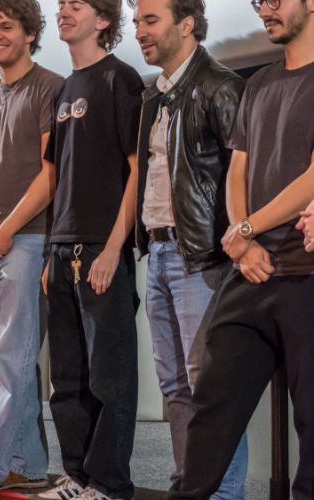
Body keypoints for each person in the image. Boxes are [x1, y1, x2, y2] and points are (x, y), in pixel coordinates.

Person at [168, 0, 314, 498]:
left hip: (305, 272)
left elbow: (312, 177)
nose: (265, 9)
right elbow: (238, 169)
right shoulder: (259, 83)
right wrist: (242, 239)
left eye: (276, 0)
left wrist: (249, 226)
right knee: (211, 407)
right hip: (251, 272)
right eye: (258, 2)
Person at [129, 0, 248, 497]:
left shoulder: (221, 86)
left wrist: (238, 241)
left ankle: (222, 493)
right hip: (159, 252)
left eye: (150, 20)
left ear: (187, 24)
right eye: (137, 21)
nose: (139, 31)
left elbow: (244, 174)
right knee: (174, 386)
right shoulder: (154, 96)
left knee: (209, 390)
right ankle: (190, 486)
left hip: (201, 258)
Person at [34, 1, 143, 499]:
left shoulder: (120, 79)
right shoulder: (65, 89)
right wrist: (50, 252)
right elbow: (57, 178)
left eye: (76, 5)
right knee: (68, 379)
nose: (64, 11)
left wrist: (114, 247)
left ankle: (109, 483)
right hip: (62, 250)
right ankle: (77, 477)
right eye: (61, 4)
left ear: (103, 20)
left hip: (101, 247)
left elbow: (138, 169)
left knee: (110, 378)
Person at [0, 1, 64, 499]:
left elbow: (50, 175)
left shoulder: (49, 88)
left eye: (6, 27)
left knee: (9, 358)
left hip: (29, 239)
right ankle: (26, 463)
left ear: (29, 34)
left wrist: (6, 232)